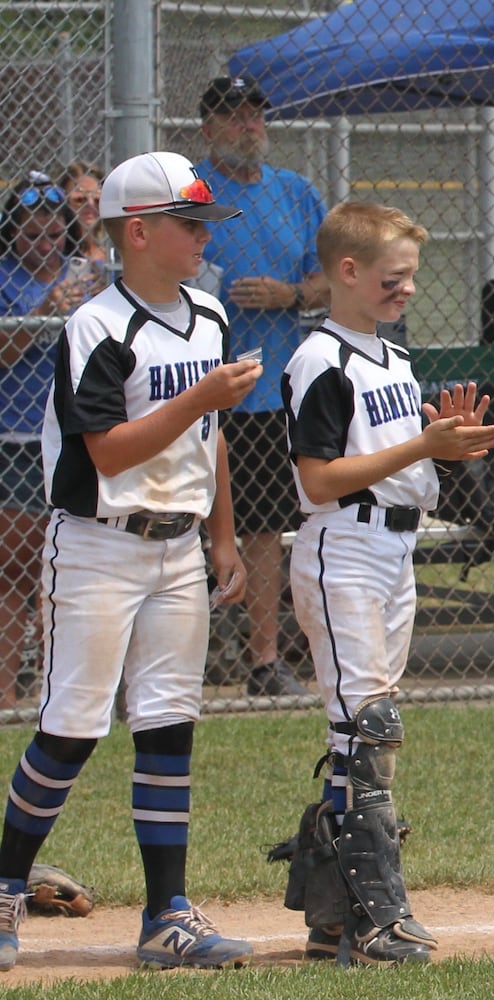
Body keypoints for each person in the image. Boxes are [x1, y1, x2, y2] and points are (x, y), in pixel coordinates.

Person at [0, 150, 260, 972]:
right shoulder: (97, 326)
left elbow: (206, 439)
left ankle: (167, 915)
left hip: (177, 546)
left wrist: (222, 534)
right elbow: (108, 453)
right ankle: (5, 887)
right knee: (73, 727)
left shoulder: (208, 314)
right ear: (138, 233)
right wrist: (202, 396)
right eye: (190, 225)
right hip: (99, 547)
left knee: (167, 724)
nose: (202, 240)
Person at [277, 203, 494, 965]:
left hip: (393, 550)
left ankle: (332, 916)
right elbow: (316, 482)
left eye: (409, 276)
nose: (406, 289)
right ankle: (379, 919)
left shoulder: (391, 359)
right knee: (366, 730)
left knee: (362, 736)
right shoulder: (322, 361)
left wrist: (442, 452)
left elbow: (395, 463)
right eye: (391, 277)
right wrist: (420, 443)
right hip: (343, 547)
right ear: (347, 273)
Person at [193, 75, 328, 698]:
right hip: (195, 390)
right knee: (182, 522)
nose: (248, 125)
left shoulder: (295, 193)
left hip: (269, 390)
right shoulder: (191, 191)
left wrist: (291, 295)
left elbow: (332, 274)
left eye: (254, 115)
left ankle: (264, 660)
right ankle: (181, 657)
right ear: (208, 128)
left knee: (266, 528)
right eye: (233, 116)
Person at [0, 177, 92, 707]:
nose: (44, 243)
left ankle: (62, 695)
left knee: (68, 570)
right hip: (16, 436)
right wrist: (44, 311)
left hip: (77, 436)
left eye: (54, 233)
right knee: (14, 569)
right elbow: (5, 353)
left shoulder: (90, 275)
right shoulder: (6, 279)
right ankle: (8, 691)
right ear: (12, 234)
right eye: (31, 234)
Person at [58, 162, 107, 269]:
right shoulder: (54, 254)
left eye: (97, 200)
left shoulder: (111, 254)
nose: (90, 204)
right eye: (79, 199)